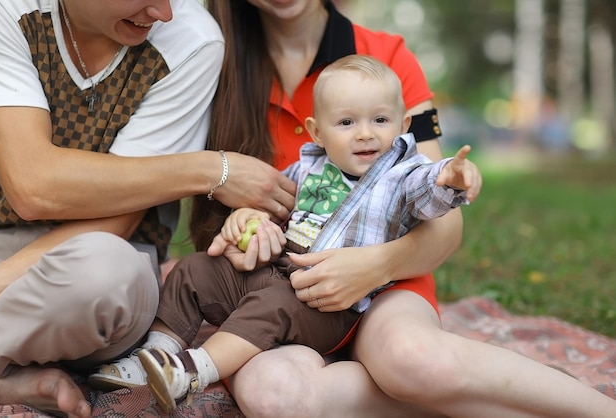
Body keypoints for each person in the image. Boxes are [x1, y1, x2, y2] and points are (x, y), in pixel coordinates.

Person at [195, 1, 615, 417]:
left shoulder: (387, 56)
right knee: (274, 395)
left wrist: (374, 266)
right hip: (273, 291)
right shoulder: (210, 58)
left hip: (386, 281)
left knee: (411, 358)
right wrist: (240, 228)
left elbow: (443, 220)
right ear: (316, 132)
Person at [87, 54, 482, 413]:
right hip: (273, 272)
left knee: (274, 302)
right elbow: (271, 210)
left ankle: (191, 371)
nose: (365, 134)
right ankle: (155, 356)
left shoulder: (402, 176)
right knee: (194, 270)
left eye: (380, 120)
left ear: (402, 125)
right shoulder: (306, 169)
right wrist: (249, 219)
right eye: (347, 122)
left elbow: (428, 192)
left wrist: (450, 178)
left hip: (325, 304)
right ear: (317, 131)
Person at [0, 0, 296, 417]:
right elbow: (33, 187)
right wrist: (209, 169)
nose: (164, 12)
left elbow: (115, 221)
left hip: (92, 282)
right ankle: (5, 379)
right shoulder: (8, 9)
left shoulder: (193, 37)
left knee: (109, 274)